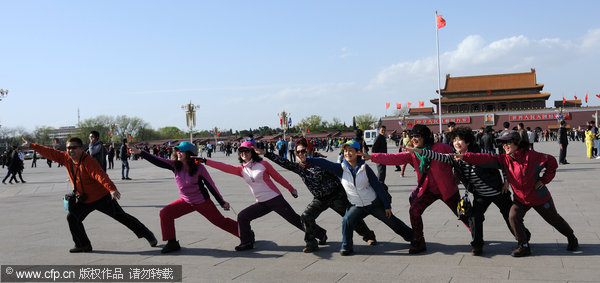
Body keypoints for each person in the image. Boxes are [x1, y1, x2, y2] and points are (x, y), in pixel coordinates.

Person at [406, 126, 527, 256]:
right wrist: (419, 151)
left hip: (498, 192)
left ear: (468, 142)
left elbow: (502, 162)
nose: (456, 143)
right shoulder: (454, 156)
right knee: (475, 218)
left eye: (460, 140)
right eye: (454, 140)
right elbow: (438, 156)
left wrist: (506, 180)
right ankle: (477, 245)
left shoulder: (481, 152)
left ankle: (523, 239)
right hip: (480, 194)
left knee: (509, 218)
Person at [455, 130, 578, 257]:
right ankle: (523, 245)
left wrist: (544, 180)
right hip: (520, 199)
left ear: (517, 143)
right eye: (503, 144)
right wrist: (464, 156)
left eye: (507, 142)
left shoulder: (531, 156)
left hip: (539, 197)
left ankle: (571, 237)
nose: (505, 146)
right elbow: (486, 158)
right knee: (513, 217)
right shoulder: (505, 159)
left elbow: (551, 161)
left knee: (554, 219)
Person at [23, 137, 156, 253]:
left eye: (73, 148)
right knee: (72, 218)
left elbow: (100, 175)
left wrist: (111, 189)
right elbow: (50, 152)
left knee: (122, 217)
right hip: (84, 199)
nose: (70, 150)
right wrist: (31, 145)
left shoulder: (88, 161)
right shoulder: (66, 159)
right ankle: (83, 245)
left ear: (81, 149)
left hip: (102, 198)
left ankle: (148, 235)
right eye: (69, 148)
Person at [361, 124, 469, 254]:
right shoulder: (413, 152)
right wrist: (373, 157)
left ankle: (477, 237)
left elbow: (457, 160)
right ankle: (419, 241)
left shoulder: (441, 147)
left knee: (463, 214)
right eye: (412, 136)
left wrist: (457, 176)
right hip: (427, 190)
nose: (413, 139)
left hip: (447, 190)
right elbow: (394, 158)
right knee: (414, 211)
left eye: (417, 136)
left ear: (425, 136)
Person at [256, 138, 377, 253]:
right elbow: (284, 163)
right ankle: (311, 242)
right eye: (298, 152)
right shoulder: (300, 167)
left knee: (351, 218)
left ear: (310, 150)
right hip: (320, 199)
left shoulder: (321, 163)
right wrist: (266, 153)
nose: (301, 153)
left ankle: (369, 236)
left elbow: (339, 175)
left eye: (303, 150)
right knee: (306, 216)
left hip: (336, 195)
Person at [201, 141, 318, 251]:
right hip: (261, 203)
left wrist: (291, 189)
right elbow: (223, 167)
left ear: (252, 152)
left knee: (295, 220)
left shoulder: (263, 164)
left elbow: (278, 177)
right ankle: (246, 242)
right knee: (243, 217)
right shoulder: (241, 170)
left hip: (275, 199)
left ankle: (321, 233)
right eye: (241, 152)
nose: (243, 154)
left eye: (246, 151)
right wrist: (206, 161)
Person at [306, 140, 413, 256]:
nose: (347, 153)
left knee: (392, 221)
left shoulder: (365, 169)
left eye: (350, 151)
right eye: (345, 151)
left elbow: (378, 188)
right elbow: (324, 163)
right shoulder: (341, 169)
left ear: (358, 152)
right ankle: (347, 246)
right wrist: (307, 159)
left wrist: (387, 205)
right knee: (347, 220)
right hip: (357, 206)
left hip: (373, 204)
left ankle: (413, 237)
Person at [131, 142, 238, 253]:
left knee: (220, 222)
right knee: (165, 213)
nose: (178, 153)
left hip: (202, 202)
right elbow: (158, 160)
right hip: (186, 201)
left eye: (181, 151)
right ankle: (172, 242)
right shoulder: (175, 165)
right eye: (177, 150)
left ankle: (245, 233)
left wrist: (221, 202)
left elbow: (211, 185)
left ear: (189, 153)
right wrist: (141, 153)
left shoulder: (199, 168)